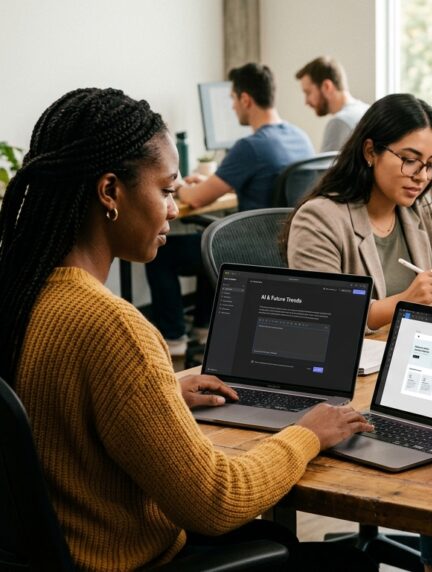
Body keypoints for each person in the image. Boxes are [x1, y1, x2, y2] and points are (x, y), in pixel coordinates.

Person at [0, 88, 375, 571]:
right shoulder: (110, 327)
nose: (174, 209)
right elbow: (217, 501)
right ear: (110, 191)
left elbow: (54, 409)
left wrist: (159, 391)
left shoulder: (21, 292)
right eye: (166, 190)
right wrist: (307, 433)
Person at [283, 93, 432, 572]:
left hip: (414, 374)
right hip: (347, 387)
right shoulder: (321, 218)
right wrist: (400, 305)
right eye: (409, 160)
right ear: (370, 152)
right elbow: (318, 322)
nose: (420, 176)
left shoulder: (418, 215)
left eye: (431, 165)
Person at [147, 63, 315, 355]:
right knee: (204, 240)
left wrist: (183, 185)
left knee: (162, 253)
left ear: (246, 99)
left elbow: (196, 199)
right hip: (288, 248)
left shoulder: (250, 146)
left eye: (233, 100)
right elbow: (271, 183)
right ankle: (204, 328)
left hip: (251, 251)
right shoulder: (300, 137)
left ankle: (174, 340)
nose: (233, 107)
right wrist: (219, 182)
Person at [296, 56, 371, 152]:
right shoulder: (367, 110)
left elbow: (327, 167)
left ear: (327, 87)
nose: (306, 102)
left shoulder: (339, 122)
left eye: (308, 92)